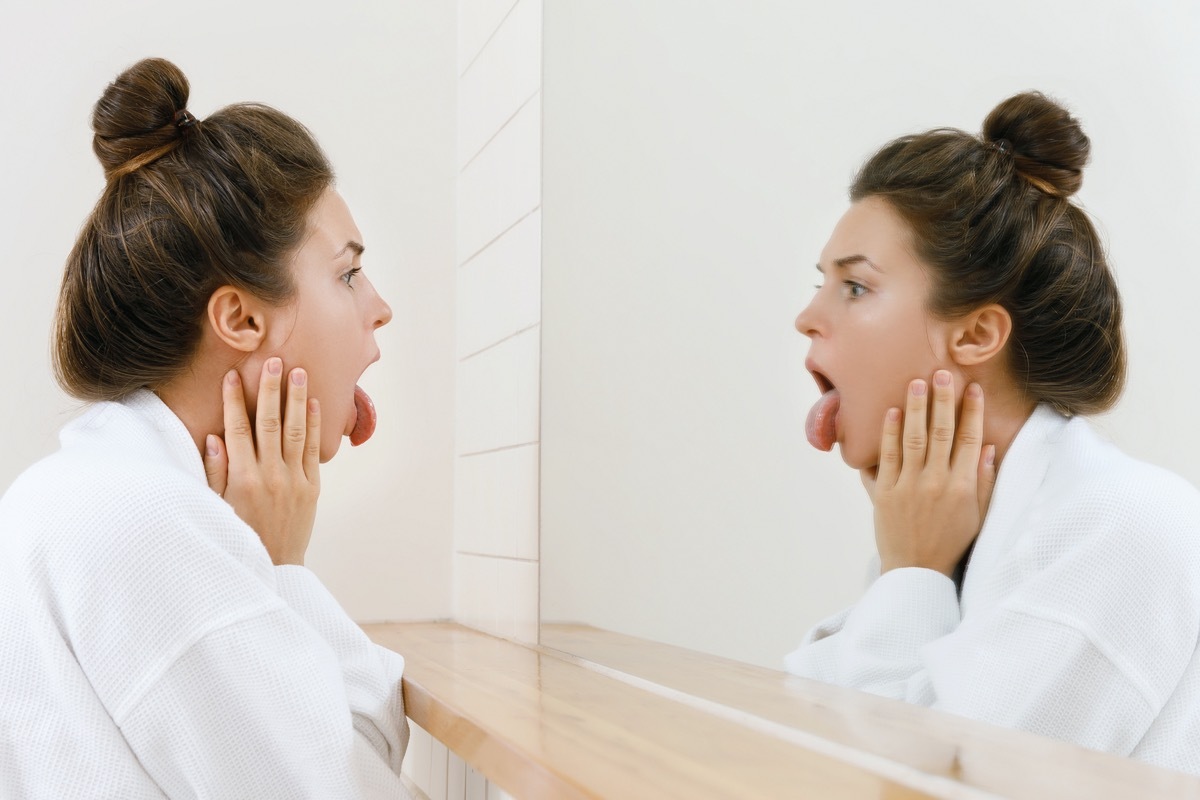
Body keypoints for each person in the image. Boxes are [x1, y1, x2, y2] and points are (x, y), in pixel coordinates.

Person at [0, 58, 410, 798]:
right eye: (348, 274)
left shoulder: (87, 493)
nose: (379, 307)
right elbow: (363, 782)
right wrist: (283, 568)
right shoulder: (145, 526)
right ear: (242, 319)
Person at [784, 91, 1200, 774]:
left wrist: (913, 575)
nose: (807, 317)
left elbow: (921, 783)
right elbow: (809, 717)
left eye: (854, 288)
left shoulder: (1123, 527)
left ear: (977, 334)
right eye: (820, 284)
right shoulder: (949, 530)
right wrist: (911, 568)